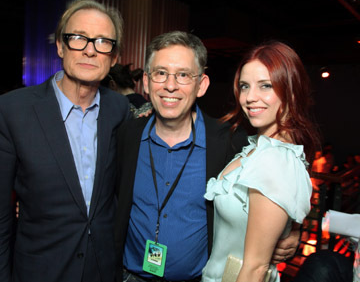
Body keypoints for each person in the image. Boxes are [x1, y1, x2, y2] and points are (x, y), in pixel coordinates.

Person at [114, 32, 301, 282]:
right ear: (146, 83)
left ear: (201, 85)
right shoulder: (126, 135)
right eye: (161, 73)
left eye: (183, 75)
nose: (171, 85)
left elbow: (281, 175)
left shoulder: (230, 142)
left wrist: (293, 229)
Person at [0, 0, 130, 282]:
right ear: (60, 46)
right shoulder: (10, 112)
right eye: (78, 38)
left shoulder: (120, 111)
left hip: (104, 269)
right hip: (42, 270)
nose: (89, 50)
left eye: (102, 42)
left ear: (114, 56)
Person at [201, 41, 320, 282]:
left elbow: (255, 267)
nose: (250, 97)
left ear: (291, 90)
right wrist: (293, 228)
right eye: (245, 86)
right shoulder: (260, 147)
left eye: (266, 86)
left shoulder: (275, 160)